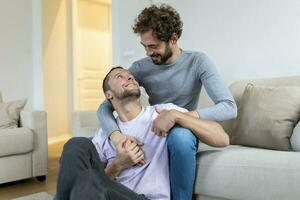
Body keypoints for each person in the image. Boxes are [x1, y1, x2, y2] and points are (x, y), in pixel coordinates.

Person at [98, 4, 237, 200]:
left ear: (173, 39)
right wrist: (115, 136)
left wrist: (177, 116)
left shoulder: (197, 62)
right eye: (144, 46)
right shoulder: (141, 68)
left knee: (179, 136)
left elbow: (228, 107)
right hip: (155, 130)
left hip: (183, 129)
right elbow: (105, 105)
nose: (147, 52)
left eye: (153, 46)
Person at [56, 67, 229, 200]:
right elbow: (88, 184)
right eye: (120, 77)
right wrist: (118, 164)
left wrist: (177, 116)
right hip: (114, 195)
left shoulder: (163, 112)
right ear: (108, 95)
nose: (129, 77)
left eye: (130, 75)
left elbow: (222, 138)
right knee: (75, 144)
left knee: (89, 180)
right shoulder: (106, 133)